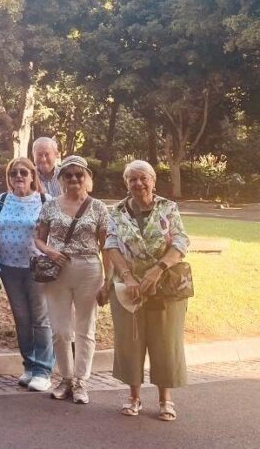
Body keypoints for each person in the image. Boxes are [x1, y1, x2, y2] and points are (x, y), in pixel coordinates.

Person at [103, 160, 191, 422]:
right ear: (126, 182)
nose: (138, 184)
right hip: (128, 287)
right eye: (132, 179)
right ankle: (134, 397)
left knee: (165, 340)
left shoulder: (168, 207)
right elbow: (111, 244)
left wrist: (158, 269)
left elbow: (181, 240)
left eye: (143, 178)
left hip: (164, 284)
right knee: (131, 341)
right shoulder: (117, 211)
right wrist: (128, 276)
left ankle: (166, 400)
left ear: (153, 180)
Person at [34, 155, 111, 404]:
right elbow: (38, 238)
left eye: (79, 175)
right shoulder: (50, 206)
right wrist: (49, 251)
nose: (74, 179)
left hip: (89, 268)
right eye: (69, 175)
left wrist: (108, 280)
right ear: (61, 179)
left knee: (85, 329)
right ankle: (65, 378)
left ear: (87, 178)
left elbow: (106, 244)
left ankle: (81, 381)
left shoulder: (98, 207)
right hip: (58, 270)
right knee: (60, 330)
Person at [0, 157, 54, 393]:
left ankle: (43, 370)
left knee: (40, 319)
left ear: (32, 176)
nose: (18, 176)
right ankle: (29, 366)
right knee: (21, 318)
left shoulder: (44, 200)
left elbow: (54, 232)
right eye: (13, 173)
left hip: (36, 268)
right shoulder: (1, 201)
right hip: (8, 267)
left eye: (23, 172)